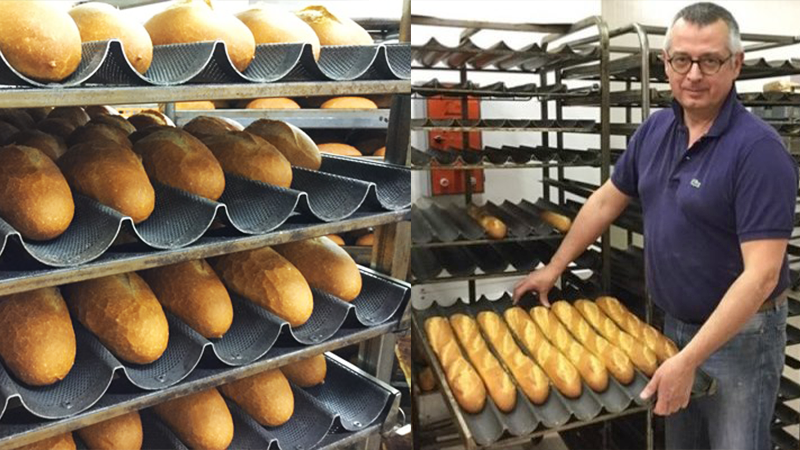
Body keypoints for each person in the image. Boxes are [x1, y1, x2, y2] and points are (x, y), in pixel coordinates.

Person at [512, 3, 797, 449]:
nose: (694, 74)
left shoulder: (759, 152)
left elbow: (760, 276)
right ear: (665, 63)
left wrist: (689, 360)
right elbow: (607, 200)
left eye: (711, 60)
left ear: (736, 64)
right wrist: (555, 265)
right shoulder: (656, 130)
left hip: (743, 337)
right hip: (672, 325)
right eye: (681, 59)